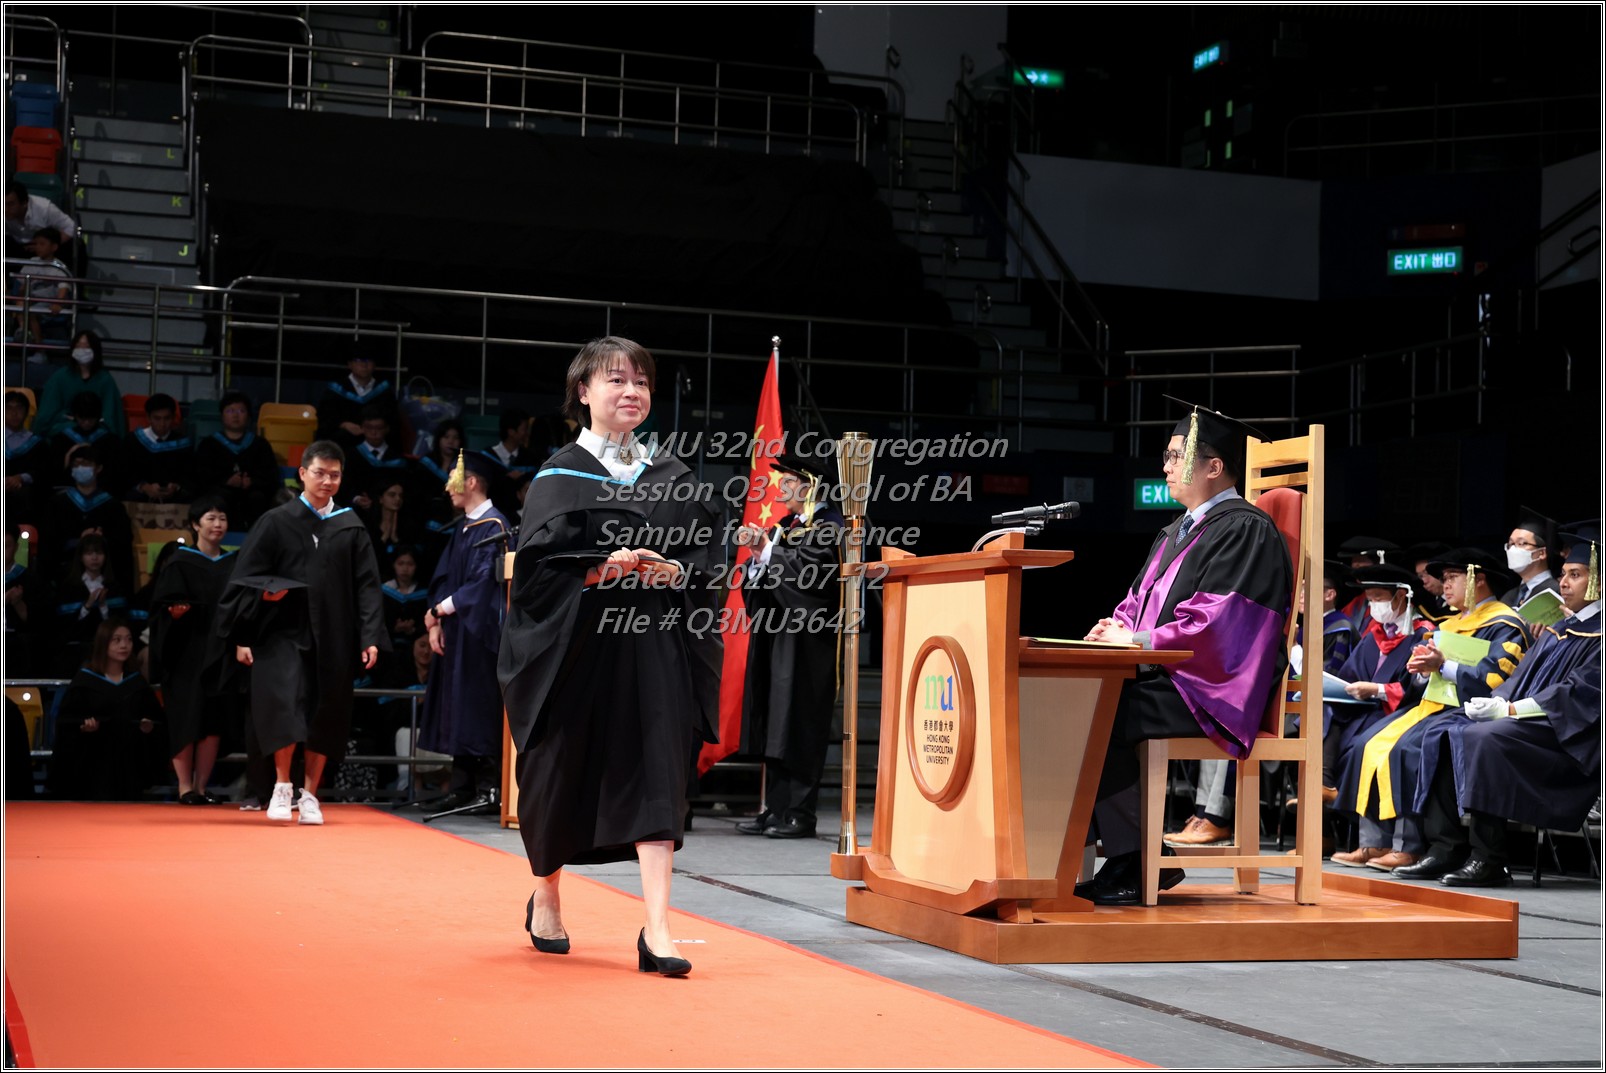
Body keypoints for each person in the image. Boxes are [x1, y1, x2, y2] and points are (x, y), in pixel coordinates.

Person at [498, 337, 720, 973]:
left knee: (659, 772)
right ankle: (546, 894)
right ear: (584, 392)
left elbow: (706, 562)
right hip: (574, 650)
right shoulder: (559, 477)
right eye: (617, 380)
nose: (632, 392)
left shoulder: (674, 478)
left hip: (653, 647)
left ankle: (658, 928)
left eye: (642, 382)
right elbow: (535, 576)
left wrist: (673, 571)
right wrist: (597, 571)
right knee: (559, 770)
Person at [1077, 399, 1292, 905]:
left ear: (1214, 467)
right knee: (1076, 701)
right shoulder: (1178, 529)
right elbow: (1138, 603)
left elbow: (1221, 626)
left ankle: (1139, 861)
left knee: (1101, 714)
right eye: (1168, 456)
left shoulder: (1245, 529)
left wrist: (1136, 642)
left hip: (1215, 687)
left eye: (1177, 456)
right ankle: (1087, 855)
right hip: (1169, 675)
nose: (1166, 467)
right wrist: (1116, 628)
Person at [1397, 528, 1602, 886]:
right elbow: (1520, 676)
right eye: (1564, 574)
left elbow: (1577, 695)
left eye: (1576, 574)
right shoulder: (1561, 629)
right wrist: (1496, 700)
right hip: (1530, 725)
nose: (1564, 582)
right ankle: (1446, 847)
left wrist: (1510, 711)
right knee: (1444, 731)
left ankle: (1489, 859)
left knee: (1484, 737)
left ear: (1598, 581)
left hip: (1566, 740)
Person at [217, 440, 388, 826]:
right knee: (285, 705)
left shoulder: (350, 525)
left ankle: (310, 795)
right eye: (320, 473)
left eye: (334, 475)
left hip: (334, 633)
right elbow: (245, 575)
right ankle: (282, 786)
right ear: (302, 474)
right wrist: (266, 593)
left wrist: (370, 636)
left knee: (326, 711)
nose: (327, 481)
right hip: (283, 631)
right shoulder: (276, 521)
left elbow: (367, 585)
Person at [1332, 549, 1527, 870]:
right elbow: (1417, 683)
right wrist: (1422, 672)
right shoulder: (1447, 625)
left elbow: (1495, 679)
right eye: (1444, 579)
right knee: (1368, 743)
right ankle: (1375, 842)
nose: (1444, 585)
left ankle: (1412, 846)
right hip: (1433, 705)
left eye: (1453, 578)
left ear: (1478, 579)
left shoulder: (1506, 624)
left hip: (1470, 709)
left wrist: (1443, 666)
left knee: (1407, 748)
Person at [733, 453, 846, 839]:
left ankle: (800, 813)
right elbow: (766, 580)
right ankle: (776, 809)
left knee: (799, 722)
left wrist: (768, 552)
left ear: (810, 486)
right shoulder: (785, 527)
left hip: (809, 644)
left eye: (788, 482)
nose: (779, 489)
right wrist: (757, 557)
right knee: (775, 724)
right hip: (778, 638)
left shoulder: (830, 526)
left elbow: (812, 578)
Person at [417, 450, 511, 810]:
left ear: (470, 482)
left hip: (480, 634)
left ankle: (488, 787)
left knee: (478, 704)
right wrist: (436, 621)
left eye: (452, 480)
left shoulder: (495, 526)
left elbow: (483, 583)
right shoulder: (465, 527)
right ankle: (462, 786)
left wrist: (440, 610)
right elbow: (444, 578)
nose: (447, 488)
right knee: (459, 705)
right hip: (457, 632)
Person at [149, 497, 241, 805]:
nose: (218, 524)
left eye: (222, 518)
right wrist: (173, 615)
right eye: (211, 518)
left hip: (221, 652)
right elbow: (159, 611)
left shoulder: (234, 564)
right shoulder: (179, 563)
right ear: (195, 524)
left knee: (213, 721)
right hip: (185, 652)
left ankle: (201, 787)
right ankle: (184, 787)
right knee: (185, 718)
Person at [47, 616, 165, 801]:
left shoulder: (136, 682)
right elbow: (66, 723)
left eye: (128, 639)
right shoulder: (85, 681)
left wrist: (148, 726)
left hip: (129, 766)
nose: (124, 645)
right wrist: (83, 727)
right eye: (116, 640)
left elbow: (156, 718)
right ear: (103, 643)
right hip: (93, 765)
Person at [43, 443, 135, 586]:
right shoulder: (57, 504)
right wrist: (79, 542)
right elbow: (49, 544)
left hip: (106, 575)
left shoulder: (113, 506)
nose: (80, 468)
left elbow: (123, 545)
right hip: (66, 574)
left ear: (98, 468)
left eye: (86, 464)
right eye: (76, 464)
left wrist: (99, 541)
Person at [193, 390, 280, 529]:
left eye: (241, 411)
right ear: (222, 416)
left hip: (253, 495)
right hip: (221, 494)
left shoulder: (260, 445)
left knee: (258, 498)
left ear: (249, 416)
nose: (235, 415)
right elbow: (202, 477)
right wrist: (226, 481)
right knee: (217, 498)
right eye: (230, 411)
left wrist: (252, 482)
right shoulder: (209, 445)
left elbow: (271, 477)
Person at [33, 329, 124, 440]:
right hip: (65, 430)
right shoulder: (60, 377)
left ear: (95, 350)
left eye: (87, 346)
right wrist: (68, 419)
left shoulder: (105, 380)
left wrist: (93, 422)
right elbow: (47, 414)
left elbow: (111, 416)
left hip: (97, 431)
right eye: (78, 346)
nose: (82, 350)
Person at [316, 352, 401, 451]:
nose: (364, 365)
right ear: (350, 364)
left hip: (377, 442)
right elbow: (324, 419)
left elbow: (393, 421)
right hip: (343, 441)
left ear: (374, 365)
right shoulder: (336, 390)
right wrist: (344, 425)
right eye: (358, 360)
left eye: (368, 361)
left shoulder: (384, 391)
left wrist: (375, 429)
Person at [7, 226, 73, 350]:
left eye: (42, 244)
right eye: (36, 244)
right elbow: (22, 287)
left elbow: (63, 289)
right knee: (21, 303)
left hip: (49, 303)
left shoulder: (59, 267)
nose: (38, 247)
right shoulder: (32, 262)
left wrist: (57, 303)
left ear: (54, 247)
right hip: (32, 300)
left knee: (31, 312)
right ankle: (23, 330)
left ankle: (40, 351)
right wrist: (21, 293)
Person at [123, 393, 194, 503]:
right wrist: (145, 487)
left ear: (173, 418)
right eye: (157, 418)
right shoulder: (133, 440)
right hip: (142, 496)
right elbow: (126, 473)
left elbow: (189, 476)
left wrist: (175, 486)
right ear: (148, 418)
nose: (162, 424)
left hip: (173, 497)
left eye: (167, 418)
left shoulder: (182, 443)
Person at [1501, 507, 1560, 615]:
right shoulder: (1508, 597)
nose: (1513, 549)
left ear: (1541, 553)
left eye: (1522, 543)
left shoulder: (1556, 592)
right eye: (1511, 544)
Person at [5, 389, 50, 526]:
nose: (14, 413)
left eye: (19, 408)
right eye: (8, 408)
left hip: (27, 495)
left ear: (26, 412)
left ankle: (24, 539)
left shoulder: (37, 443)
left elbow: (43, 471)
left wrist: (21, 478)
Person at [5, 180, 77, 253]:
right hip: (14, 245)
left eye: (10, 204)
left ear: (24, 203)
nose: (5, 209)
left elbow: (72, 227)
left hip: (42, 250)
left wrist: (49, 246)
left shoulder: (45, 209)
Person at [380, 546, 429, 643]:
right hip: (388, 643)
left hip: (415, 642)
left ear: (416, 566)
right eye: (400, 563)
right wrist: (392, 627)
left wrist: (414, 630)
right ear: (393, 565)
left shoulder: (423, 593)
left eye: (410, 564)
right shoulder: (384, 590)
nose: (405, 568)